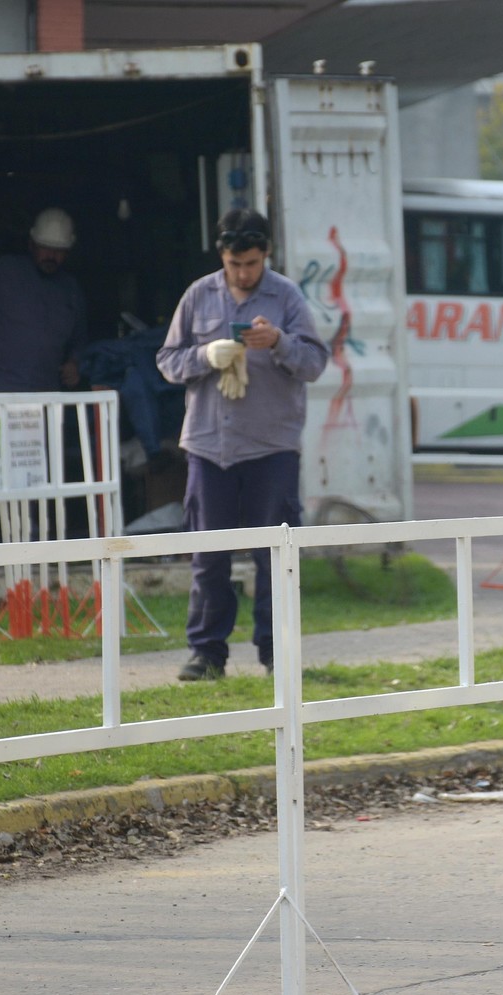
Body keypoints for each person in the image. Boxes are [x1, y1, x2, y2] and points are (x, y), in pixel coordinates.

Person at [156, 209, 329, 681]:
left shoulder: (287, 296)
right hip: (209, 446)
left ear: (266, 253)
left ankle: (278, 655)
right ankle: (207, 653)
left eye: (251, 263)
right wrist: (205, 356)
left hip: (270, 448)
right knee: (208, 556)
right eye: (235, 264)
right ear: (222, 256)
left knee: (274, 556)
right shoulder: (198, 295)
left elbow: (315, 362)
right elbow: (168, 362)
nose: (243, 273)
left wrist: (278, 342)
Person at [0, 207, 88, 393]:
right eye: (45, 248)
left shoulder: (70, 289)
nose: (51, 256)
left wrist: (74, 361)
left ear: (68, 251)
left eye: (59, 251)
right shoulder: (5, 270)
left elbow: (80, 337)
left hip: (47, 393)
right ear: (31, 244)